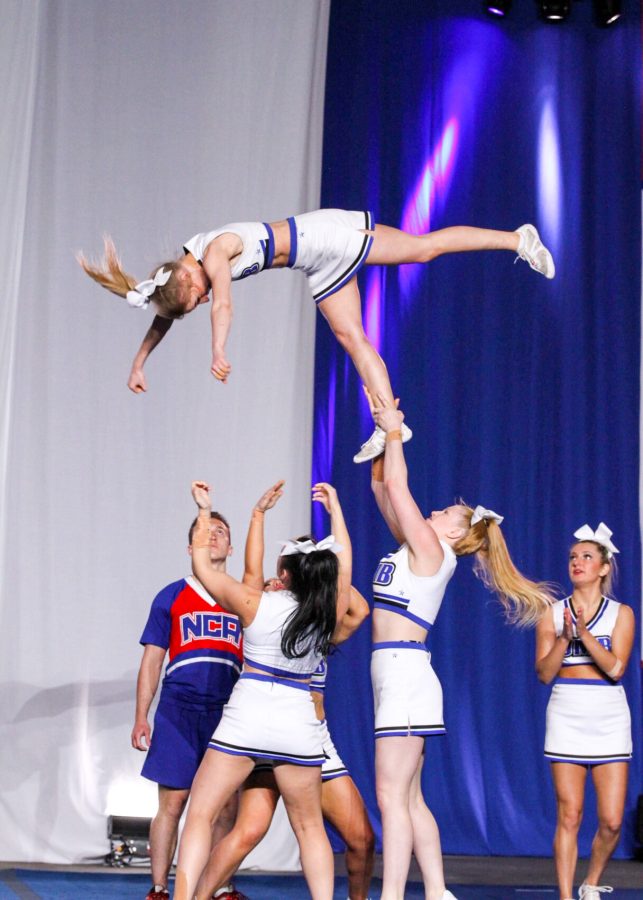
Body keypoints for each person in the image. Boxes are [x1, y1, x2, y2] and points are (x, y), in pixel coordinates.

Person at [78, 211, 554, 462]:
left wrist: (218, 348)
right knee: (353, 339)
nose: (202, 301)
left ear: (191, 278)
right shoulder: (182, 272)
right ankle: (391, 423)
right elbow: (163, 313)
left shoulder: (216, 254)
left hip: (329, 236)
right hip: (314, 259)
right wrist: (140, 362)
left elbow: (222, 303)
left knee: (423, 249)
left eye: (197, 298)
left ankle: (518, 239)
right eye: (196, 303)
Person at [367, 391, 555, 900]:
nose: (433, 510)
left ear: (456, 532)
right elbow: (384, 486)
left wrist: (394, 431)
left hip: (405, 676)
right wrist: (384, 431)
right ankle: (437, 891)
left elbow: (401, 486)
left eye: (445, 510)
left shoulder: (433, 551)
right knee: (407, 797)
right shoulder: (416, 545)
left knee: (390, 796)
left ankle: (391, 897)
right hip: (397, 676)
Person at [174, 478, 353, 900]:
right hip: (297, 724)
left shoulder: (255, 602)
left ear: (283, 574)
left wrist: (204, 510)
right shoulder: (328, 610)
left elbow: (202, 565)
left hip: (246, 719)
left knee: (200, 814)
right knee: (310, 830)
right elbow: (343, 562)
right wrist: (337, 508)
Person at [131, 512, 247, 900]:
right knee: (174, 801)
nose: (214, 536)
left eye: (221, 532)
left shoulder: (244, 596)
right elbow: (153, 659)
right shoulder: (172, 595)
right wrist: (141, 716)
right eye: (205, 532)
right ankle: (160, 888)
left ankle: (220, 886)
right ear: (190, 548)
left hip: (228, 712)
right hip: (179, 709)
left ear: (232, 547)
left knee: (227, 807)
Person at [535, 523, 634, 900]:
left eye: (587, 557)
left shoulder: (621, 613)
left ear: (604, 567)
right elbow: (544, 673)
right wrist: (563, 638)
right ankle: (564, 895)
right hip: (567, 710)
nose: (578, 563)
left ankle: (590, 883)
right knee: (570, 814)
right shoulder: (552, 613)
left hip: (608, 713)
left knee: (611, 821)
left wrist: (584, 634)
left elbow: (616, 668)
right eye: (573, 557)